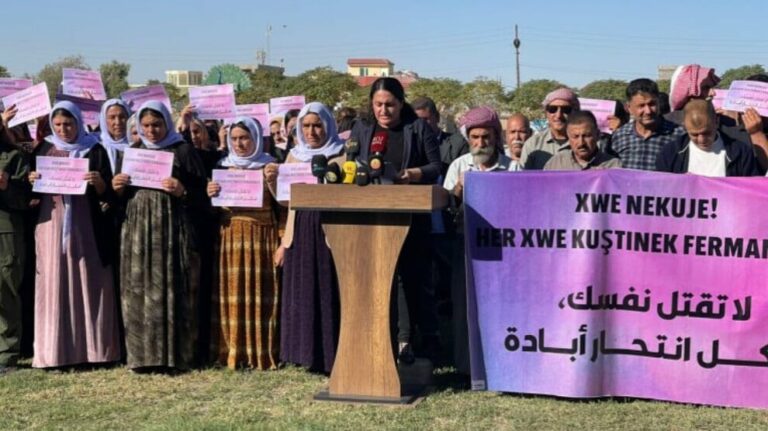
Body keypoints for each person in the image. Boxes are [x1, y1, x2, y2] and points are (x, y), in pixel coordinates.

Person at [349, 77, 442, 362]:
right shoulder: (363, 128)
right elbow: (353, 159)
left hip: (412, 217)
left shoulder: (418, 128)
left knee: (410, 279)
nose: (384, 111)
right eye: (378, 105)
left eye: (390, 105)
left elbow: (436, 165)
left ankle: (412, 340)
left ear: (401, 104)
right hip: (373, 216)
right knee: (381, 279)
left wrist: (412, 175)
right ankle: (380, 341)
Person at [113, 101, 207, 372]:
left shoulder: (183, 151)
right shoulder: (133, 151)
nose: (151, 130)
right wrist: (116, 188)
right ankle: (142, 357)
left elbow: (203, 195)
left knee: (173, 285)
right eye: (145, 126)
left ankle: (176, 356)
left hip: (171, 230)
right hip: (137, 232)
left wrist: (182, 190)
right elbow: (117, 199)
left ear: (166, 123)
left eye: (157, 124)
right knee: (138, 289)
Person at [29, 101, 121, 368]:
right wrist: (33, 180)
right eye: (58, 124)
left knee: (90, 281)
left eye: (68, 124)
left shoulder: (94, 149)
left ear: (79, 123)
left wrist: (100, 184)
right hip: (52, 224)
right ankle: (55, 353)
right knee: (54, 281)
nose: (64, 129)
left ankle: (95, 351)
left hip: (87, 225)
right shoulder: (44, 149)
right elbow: (32, 197)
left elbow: (109, 195)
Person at [442, 106, 519, 374]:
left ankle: (502, 366)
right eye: (475, 137)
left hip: (502, 250)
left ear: (496, 137)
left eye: (486, 137)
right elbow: (444, 210)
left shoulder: (512, 167)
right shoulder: (458, 166)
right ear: (468, 138)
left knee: (501, 307)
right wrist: (459, 188)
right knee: (465, 309)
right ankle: (466, 368)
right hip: (465, 247)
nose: (481, 143)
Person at [276, 102, 344, 373]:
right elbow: (284, 200)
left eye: (317, 125)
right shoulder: (293, 157)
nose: (312, 131)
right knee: (303, 291)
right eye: (306, 126)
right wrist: (272, 182)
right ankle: (304, 354)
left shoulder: (340, 154)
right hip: (300, 227)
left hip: (329, 230)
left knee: (327, 289)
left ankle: (329, 354)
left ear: (328, 125)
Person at [207, 117, 280, 370]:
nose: (239, 144)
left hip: (261, 237)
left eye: (245, 138)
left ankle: (260, 353)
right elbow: (214, 210)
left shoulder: (269, 165)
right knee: (232, 294)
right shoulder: (222, 166)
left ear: (256, 138)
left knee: (260, 295)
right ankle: (232, 351)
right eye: (235, 139)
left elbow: (284, 205)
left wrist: (273, 183)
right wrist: (211, 194)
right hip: (230, 236)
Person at [0, 113, 31, 374]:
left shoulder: (13, 156)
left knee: (5, 290)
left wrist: (7, 186)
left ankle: (6, 355)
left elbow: (25, 201)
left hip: (5, 231)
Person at [656, 100, 759, 177]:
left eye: (706, 133)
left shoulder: (740, 152)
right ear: (685, 127)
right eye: (694, 135)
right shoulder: (670, 153)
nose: (701, 139)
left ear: (716, 122)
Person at [606, 79, 686, 171]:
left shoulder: (679, 135)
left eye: (652, 104)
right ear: (629, 108)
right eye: (641, 106)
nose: (648, 111)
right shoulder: (619, 136)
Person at [520, 88, 580, 169]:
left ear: (575, 112)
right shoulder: (533, 145)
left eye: (565, 109)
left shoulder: (585, 144)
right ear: (546, 112)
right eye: (553, 109)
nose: (558, 115)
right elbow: (524, 179)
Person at [544, 111, 621, 171]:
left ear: (597, 135)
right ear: (568, 137)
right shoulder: (556, 164)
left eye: (586, 136)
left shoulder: (614, 166)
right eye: (575, 137)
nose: (581, 143)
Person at [98, 99, 132, 175]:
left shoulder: (138, 146)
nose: (118, 122)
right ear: (104, 120)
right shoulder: (97, 149)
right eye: (112, 117)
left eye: (122, 117)